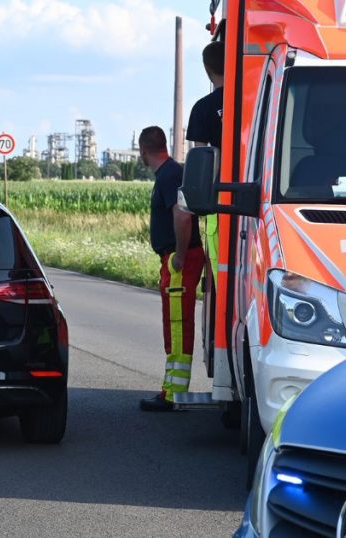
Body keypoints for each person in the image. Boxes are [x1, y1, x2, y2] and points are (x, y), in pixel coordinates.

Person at [138, 126, 206, 412]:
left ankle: (173, 393)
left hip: (179, 258)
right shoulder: (170, 172)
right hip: (176, 257)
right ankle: (171, 388)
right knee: (174, 323)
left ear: (143, 151)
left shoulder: (168, 175)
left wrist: (178, 255)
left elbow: (182, 215)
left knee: (177, 325)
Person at [186, 40, 224, 302]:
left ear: (207, 69)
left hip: (220, 202)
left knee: (221, 270)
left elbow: (202, 160)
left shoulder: (202, 108)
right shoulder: (253, 99)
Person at [187, 41, 224, 149]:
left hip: (225, 166)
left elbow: (201, 155)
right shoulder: (250, 99)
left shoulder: (202, 108)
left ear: (207, 68)